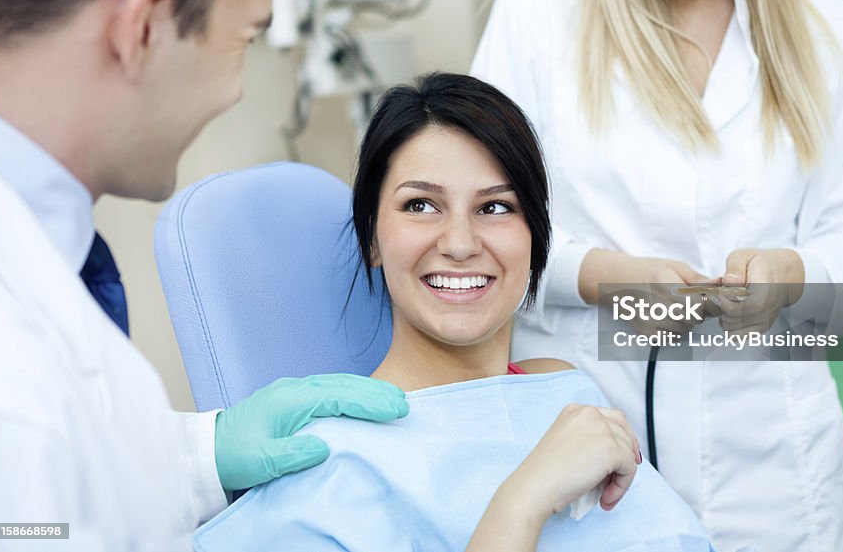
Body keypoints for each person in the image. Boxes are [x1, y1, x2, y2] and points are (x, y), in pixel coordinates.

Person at [470, 0, 843, 550]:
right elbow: (482, 224)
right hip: (590, 462)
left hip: (780, 480)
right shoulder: (536, 14)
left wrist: (792, 274)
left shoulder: (828, 31)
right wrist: (601, 275)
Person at [0, 0, 407, 549]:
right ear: (146, 25)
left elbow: (59, 491)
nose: (235, 91)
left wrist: (204, 454)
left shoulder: (32, 251)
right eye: (244, 37)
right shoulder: (6, 382)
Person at [192, 73, 722, 552]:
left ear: (536, 242)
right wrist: (524, 499)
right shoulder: (328, 469)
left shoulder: (565, 397)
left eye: (495, 207)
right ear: (372, 238)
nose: (462, 243)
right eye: (420, 205)